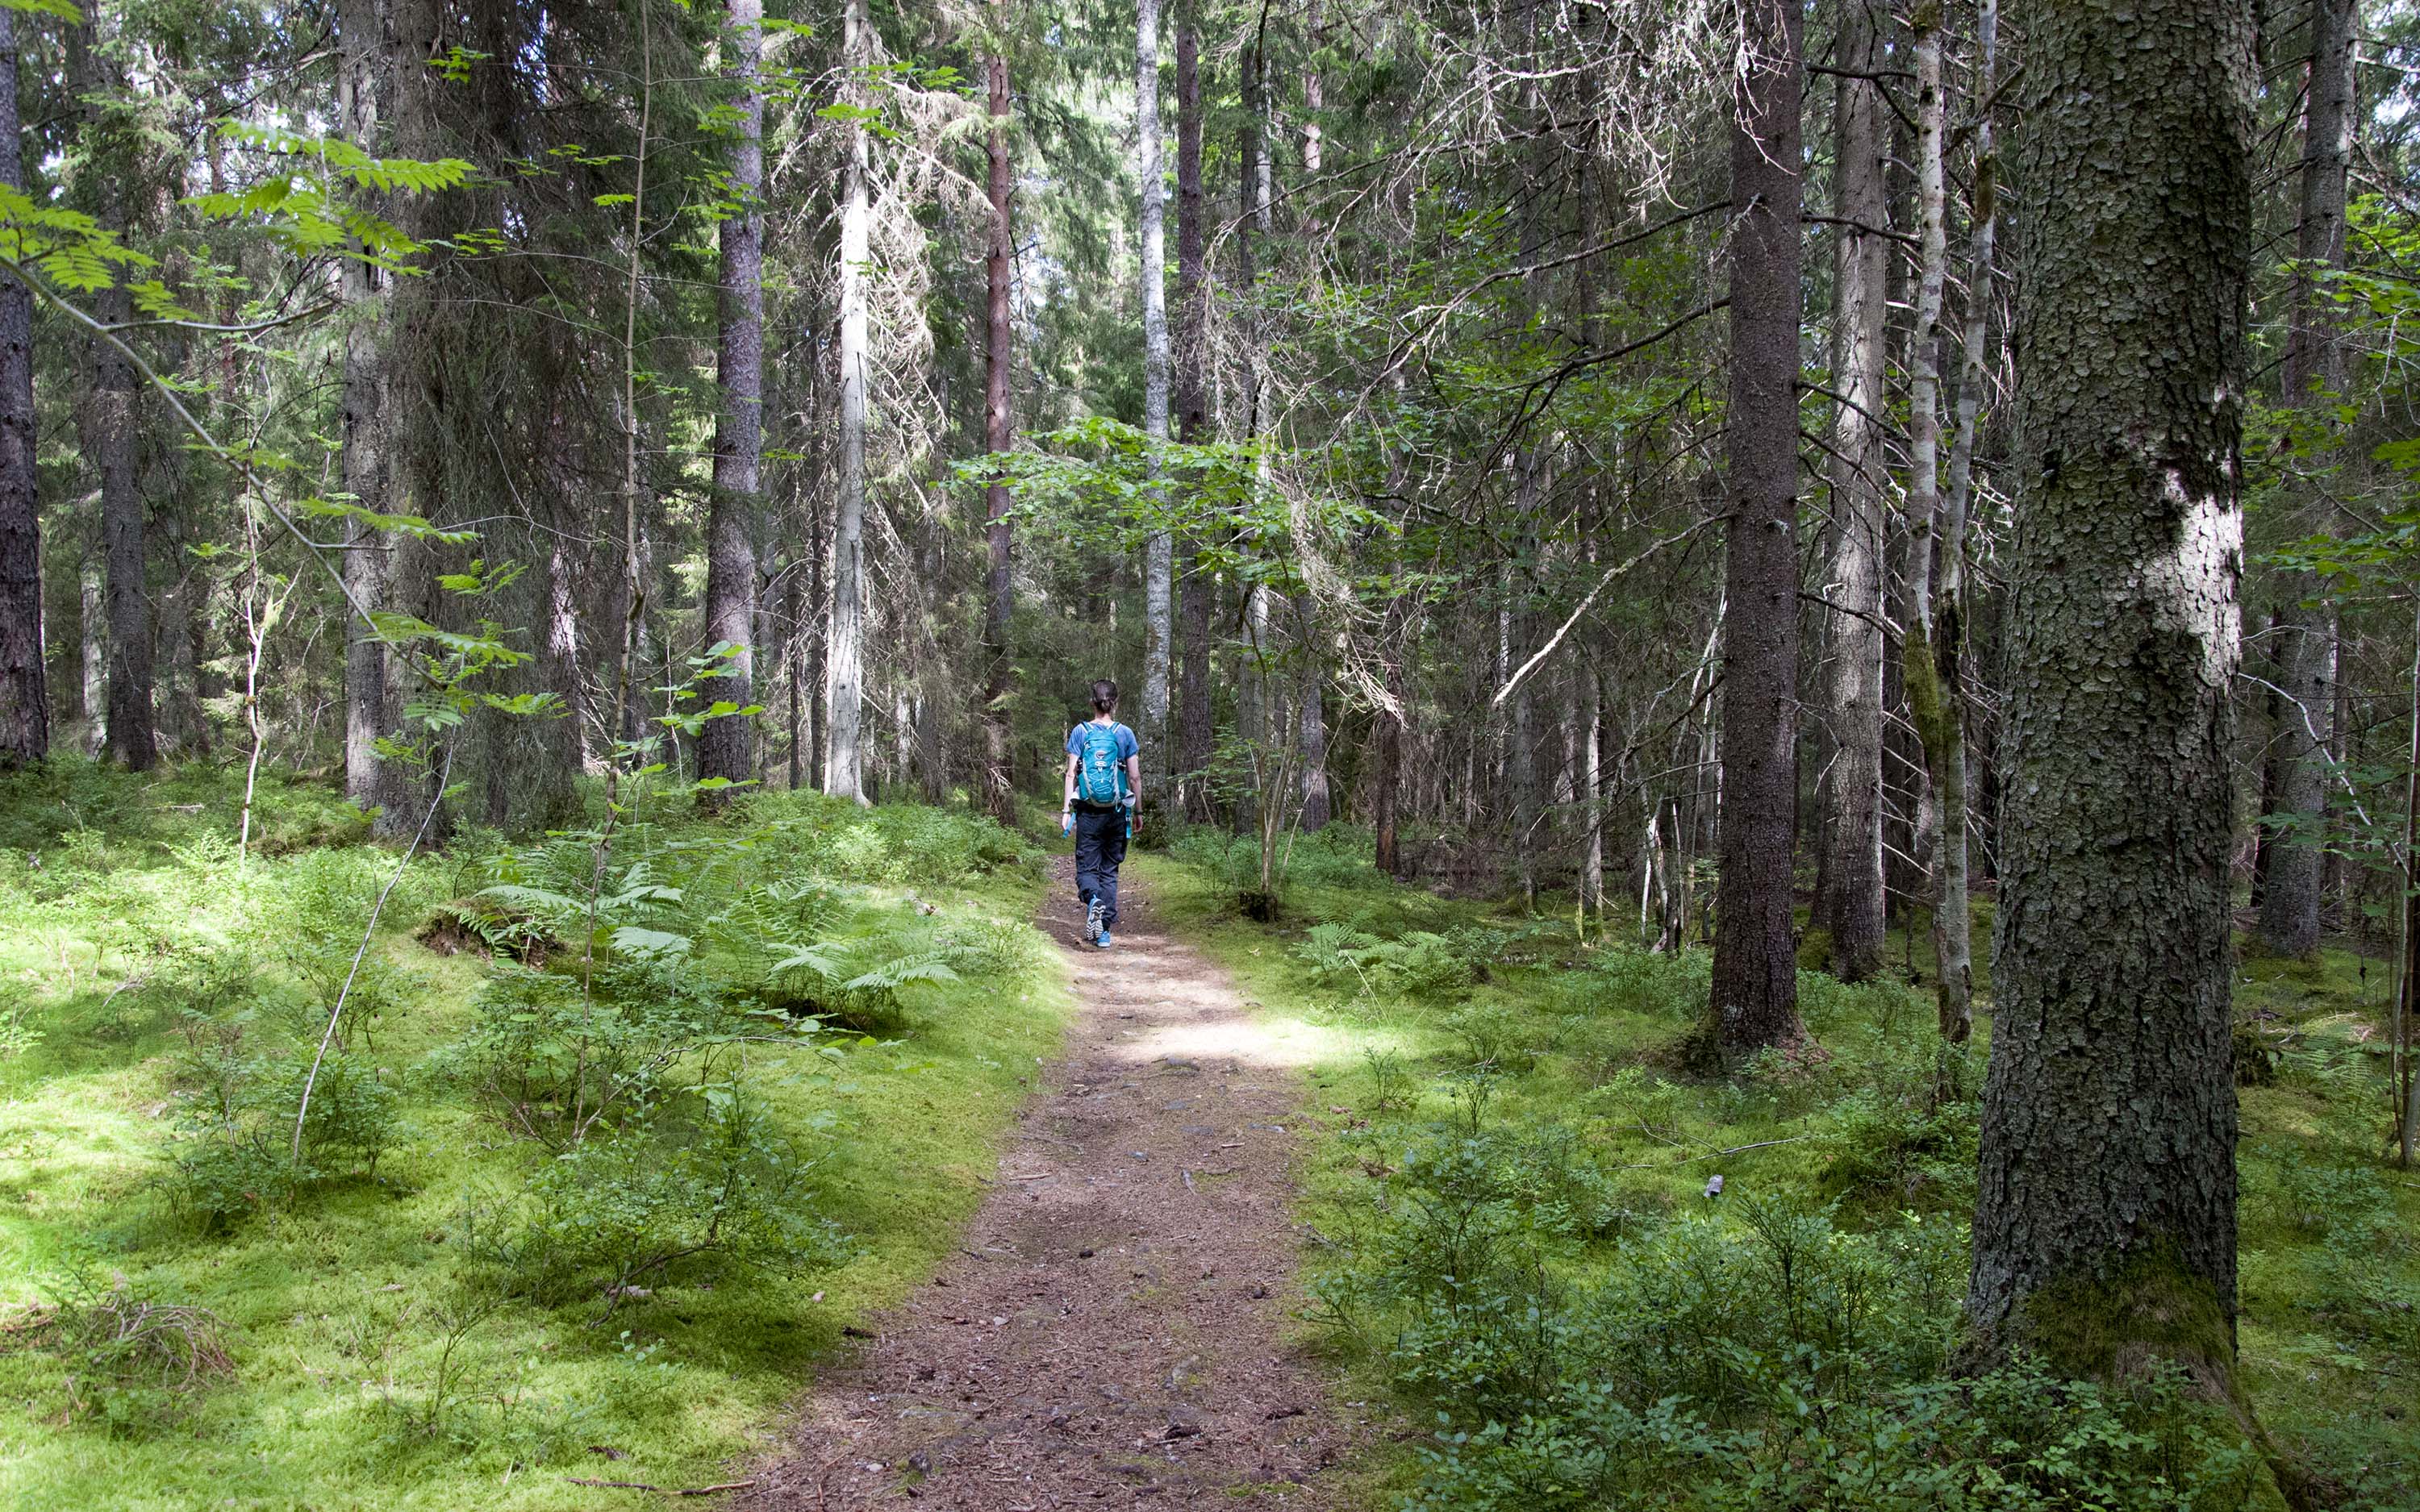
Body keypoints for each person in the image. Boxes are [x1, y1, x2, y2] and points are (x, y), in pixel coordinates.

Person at [1061, 678, 1141, 948]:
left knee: (1087, 866)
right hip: (1117, 812)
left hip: (1088, 812)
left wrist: (1065, 810)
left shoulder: (1080, 732)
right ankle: (1103, 932)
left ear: (1091, 703)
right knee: (1109, 870)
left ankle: (1092, 899)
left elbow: (1071, 773)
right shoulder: (1125, 734)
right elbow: (1135, 777)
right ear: (1114, 703)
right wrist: (1138, 811)